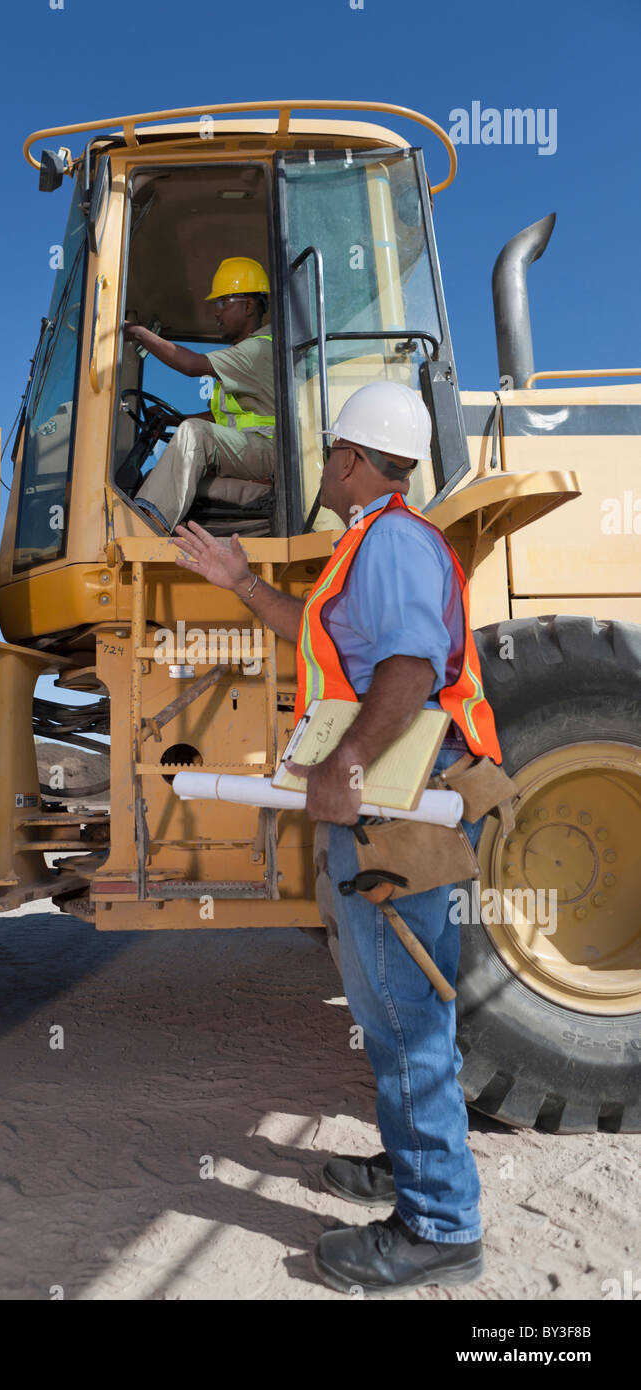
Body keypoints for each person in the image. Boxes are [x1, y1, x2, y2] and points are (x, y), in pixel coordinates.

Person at [172, 379, 503, 1296]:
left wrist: (345, 761)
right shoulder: (371, 541)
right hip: (393, 798)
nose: (323, 466)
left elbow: (408, 666)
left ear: (356, 460)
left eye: (330, 452)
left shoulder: (392, 540)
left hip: (398, 805)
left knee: (400, 1012)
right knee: (399, 1005)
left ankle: (441, 1225)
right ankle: (416, 1166)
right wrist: (241, 585)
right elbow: (329, 642)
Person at [124, 257, 275, 532]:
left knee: (195, 434)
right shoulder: (244, 354)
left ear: (249, 306)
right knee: (163, 475)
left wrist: (141, 335)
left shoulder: (258, 350)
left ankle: (147, 529)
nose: (216, 313)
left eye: (222, 303)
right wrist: (172, 420)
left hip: (269, 450)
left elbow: (192, 366)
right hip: (252, 450)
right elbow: (224, 418)